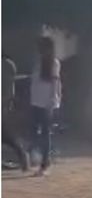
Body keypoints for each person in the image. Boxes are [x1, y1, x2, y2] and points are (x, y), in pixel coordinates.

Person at [28, 37, 62, 176]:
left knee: (45, 133)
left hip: (46, 102)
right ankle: (37, 157)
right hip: (35, 100)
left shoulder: (53, 63)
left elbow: (55, 82)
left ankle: (45, 163)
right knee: (34, 130)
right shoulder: (38, 62)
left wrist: (52, 100)